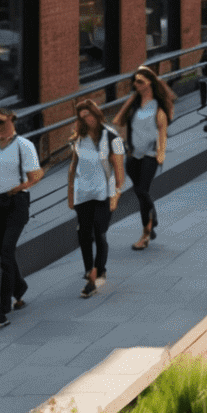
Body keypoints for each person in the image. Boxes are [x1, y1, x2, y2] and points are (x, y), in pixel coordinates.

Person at [0, 106, 44, 329]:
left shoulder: (24, 146)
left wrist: (19, 187)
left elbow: (37, 175)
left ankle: (3, 311)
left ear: (11, 122)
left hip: (17, 204)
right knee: (6, 252)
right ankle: (19, 288)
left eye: (1, 123)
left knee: (5, 253)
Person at [66, 98, 124, 298]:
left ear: (96, 114)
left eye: (88, 115)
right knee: (83, 234)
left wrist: (116, 193)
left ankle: (97, 272)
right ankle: (91, 271)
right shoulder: (78, 139)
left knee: (99, 233)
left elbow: (119, 172)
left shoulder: (112, 138)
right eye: (82, 117)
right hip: (83, 194)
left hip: (103, 194)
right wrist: (70, 194)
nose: (86, 120)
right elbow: (73, 168)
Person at [115, 65, 173, 251]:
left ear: (149, 83)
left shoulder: (158, 107)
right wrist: (132, 98)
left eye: (140, 81)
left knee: (142, 191)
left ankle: (146, 234)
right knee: (141, 193)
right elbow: (118, 121)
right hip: (133, 155)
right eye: (135, 81)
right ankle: (152, 220)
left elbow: (163, 132)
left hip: (150, 155)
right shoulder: (134, 104)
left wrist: (160, 155)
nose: (135, 83)